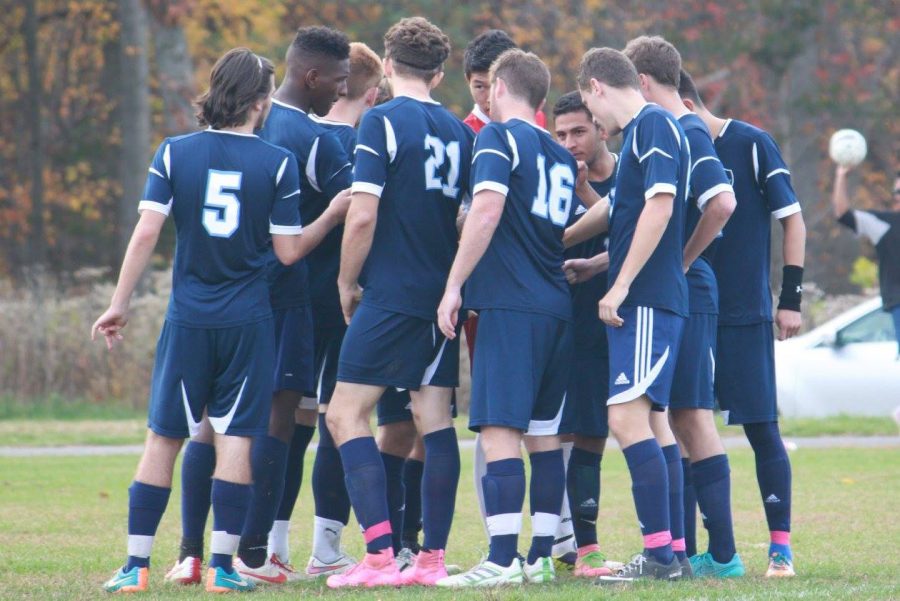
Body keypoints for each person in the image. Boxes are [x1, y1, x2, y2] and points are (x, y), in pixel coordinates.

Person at [94, 48, 346, 593]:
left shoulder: (174, 152)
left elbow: (145, 232)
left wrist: (119, 303)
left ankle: (136, 566)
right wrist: (332, 212)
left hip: (188, 319)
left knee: (163, 437)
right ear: (260, 102)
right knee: (236, 439)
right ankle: (224, 567)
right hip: (249, 321)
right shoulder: (275, 162)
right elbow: (287, 252)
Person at [324, 17, 474, 588]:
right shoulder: (461, 132)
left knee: (343, 413)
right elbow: (463, 217)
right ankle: (430, 561)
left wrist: (345, 281)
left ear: (386, 65)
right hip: (441, 296)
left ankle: (382, 555)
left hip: (393, 295)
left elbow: (362, 213)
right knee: (433, 422)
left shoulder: (380, 120)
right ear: (438, 73)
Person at [436, 48, 574, 587]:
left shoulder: (496, 136)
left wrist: (453, 285)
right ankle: (538, 557)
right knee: (543, 436)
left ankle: (499, 558)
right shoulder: (560, 156)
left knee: (499, 431)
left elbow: (489, 208)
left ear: (496, 88)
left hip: (511, 306)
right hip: (555, 305)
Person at [622, 36, 743, 579]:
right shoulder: (665, 133)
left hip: (686, 290)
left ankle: (722, 555)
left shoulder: (686, 129)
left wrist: (683, 261)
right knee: (667, 416)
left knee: (690, 415)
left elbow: (722, 202)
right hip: (679, 288)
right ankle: (678, 550)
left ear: (641, 83)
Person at [568, 46, 689, 583]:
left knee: (624, 418)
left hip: (645, 300)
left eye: (591, 115)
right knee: (651, 423)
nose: (594, 125)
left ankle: (659, 557)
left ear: (597, 86)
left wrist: (618, 286)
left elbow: (660, 205)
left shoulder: (654, 124)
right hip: (647, 296)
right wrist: (577, 249)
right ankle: (674, 553)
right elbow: (623, 210)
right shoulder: (642, 134)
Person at [679, 69, 806, 578]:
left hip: (745, 313)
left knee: (761, 429)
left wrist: (790, 298)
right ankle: (695, 551)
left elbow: (792, 219)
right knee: (688, 426)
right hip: (689, 309)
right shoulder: (674, 147)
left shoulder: (751, 143)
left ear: (684, 101)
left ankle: (780, 549)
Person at [304, 40, 388, 579]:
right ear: (373, 92)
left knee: (297, 422)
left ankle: (263, 545)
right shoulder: (357, 145)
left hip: (288, 298)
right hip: (341, 300)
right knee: (343, 419)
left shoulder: (296, 132)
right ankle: (325, 546)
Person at [552, 91, 619, 578]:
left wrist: (584, 196)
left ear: (600, 128)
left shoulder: (627, 175)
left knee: (598, 433)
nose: (570, 143)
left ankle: (672, 543)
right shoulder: (550, 178)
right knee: (560, 433)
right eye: (561, 135)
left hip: (617, 321)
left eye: (578, 131)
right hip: (564, 322)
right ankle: (569, 544)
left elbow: (639, 233)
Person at [832, 165, 900, 353]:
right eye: (896, 191)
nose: (896, 196)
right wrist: (841, 176)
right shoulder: (885, 223)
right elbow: (843, 214)